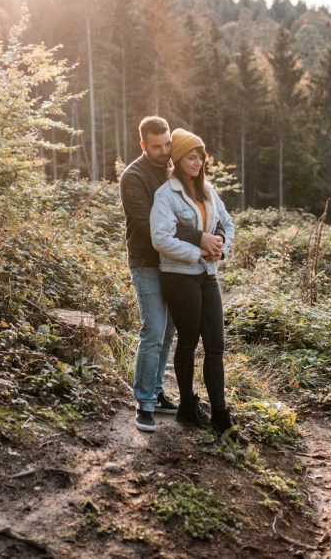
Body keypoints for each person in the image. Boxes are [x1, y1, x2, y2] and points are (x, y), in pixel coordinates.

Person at [120, 116, 224, 433]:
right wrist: (199, 239)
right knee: (153, 328)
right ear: (143, 145)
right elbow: (151, 225)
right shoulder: (133, 178)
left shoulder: (171, 171)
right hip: (147, 263)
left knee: (169, 333)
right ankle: (144, 404)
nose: (164, 151)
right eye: (156, 146)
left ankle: (157, 392)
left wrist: (213, 238)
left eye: (167, 144)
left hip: (176, 266)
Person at [150, 128, 245, 444]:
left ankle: (221, 417)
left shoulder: (208, 189)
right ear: (178, 159)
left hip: (207, 275)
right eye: (191, 156)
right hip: (179, 275)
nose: (197, 160)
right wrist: (198, 251)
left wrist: (222, 247)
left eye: (200, 156)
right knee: (189, 340)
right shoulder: (166, 195)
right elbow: (160, 239)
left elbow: (227, 223)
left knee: (216, 344)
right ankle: (188, 405)